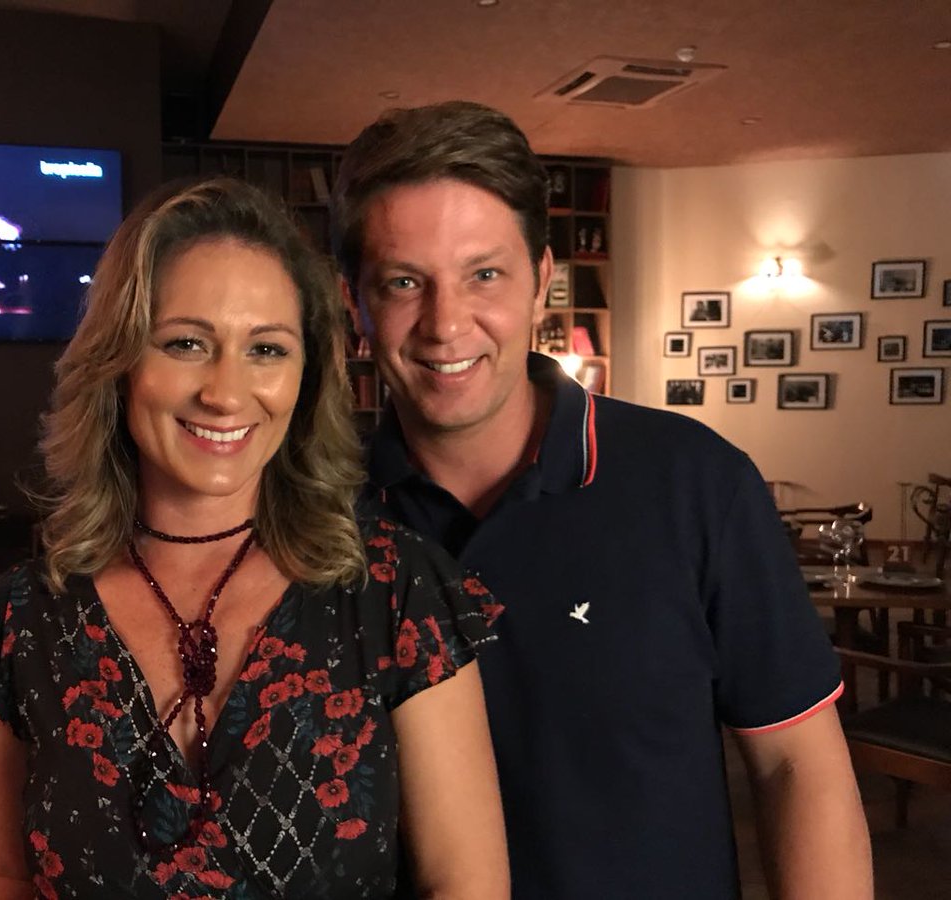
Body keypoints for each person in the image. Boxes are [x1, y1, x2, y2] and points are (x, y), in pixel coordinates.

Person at [330, 101, 873, 899]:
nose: (446, 324)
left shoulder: (696, 482)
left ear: (541, 282)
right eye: (404, 282)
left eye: (485, 275)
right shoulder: (317, 513)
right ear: (356, 306)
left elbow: (796, 765)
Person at [0, 177, 508, 899]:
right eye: (185, 343)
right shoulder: (18, 622)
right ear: (118, 363)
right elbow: (7, 877)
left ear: (305, 379)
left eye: (266, 349)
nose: (226, 393)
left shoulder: (396, 594)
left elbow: (466, 884)